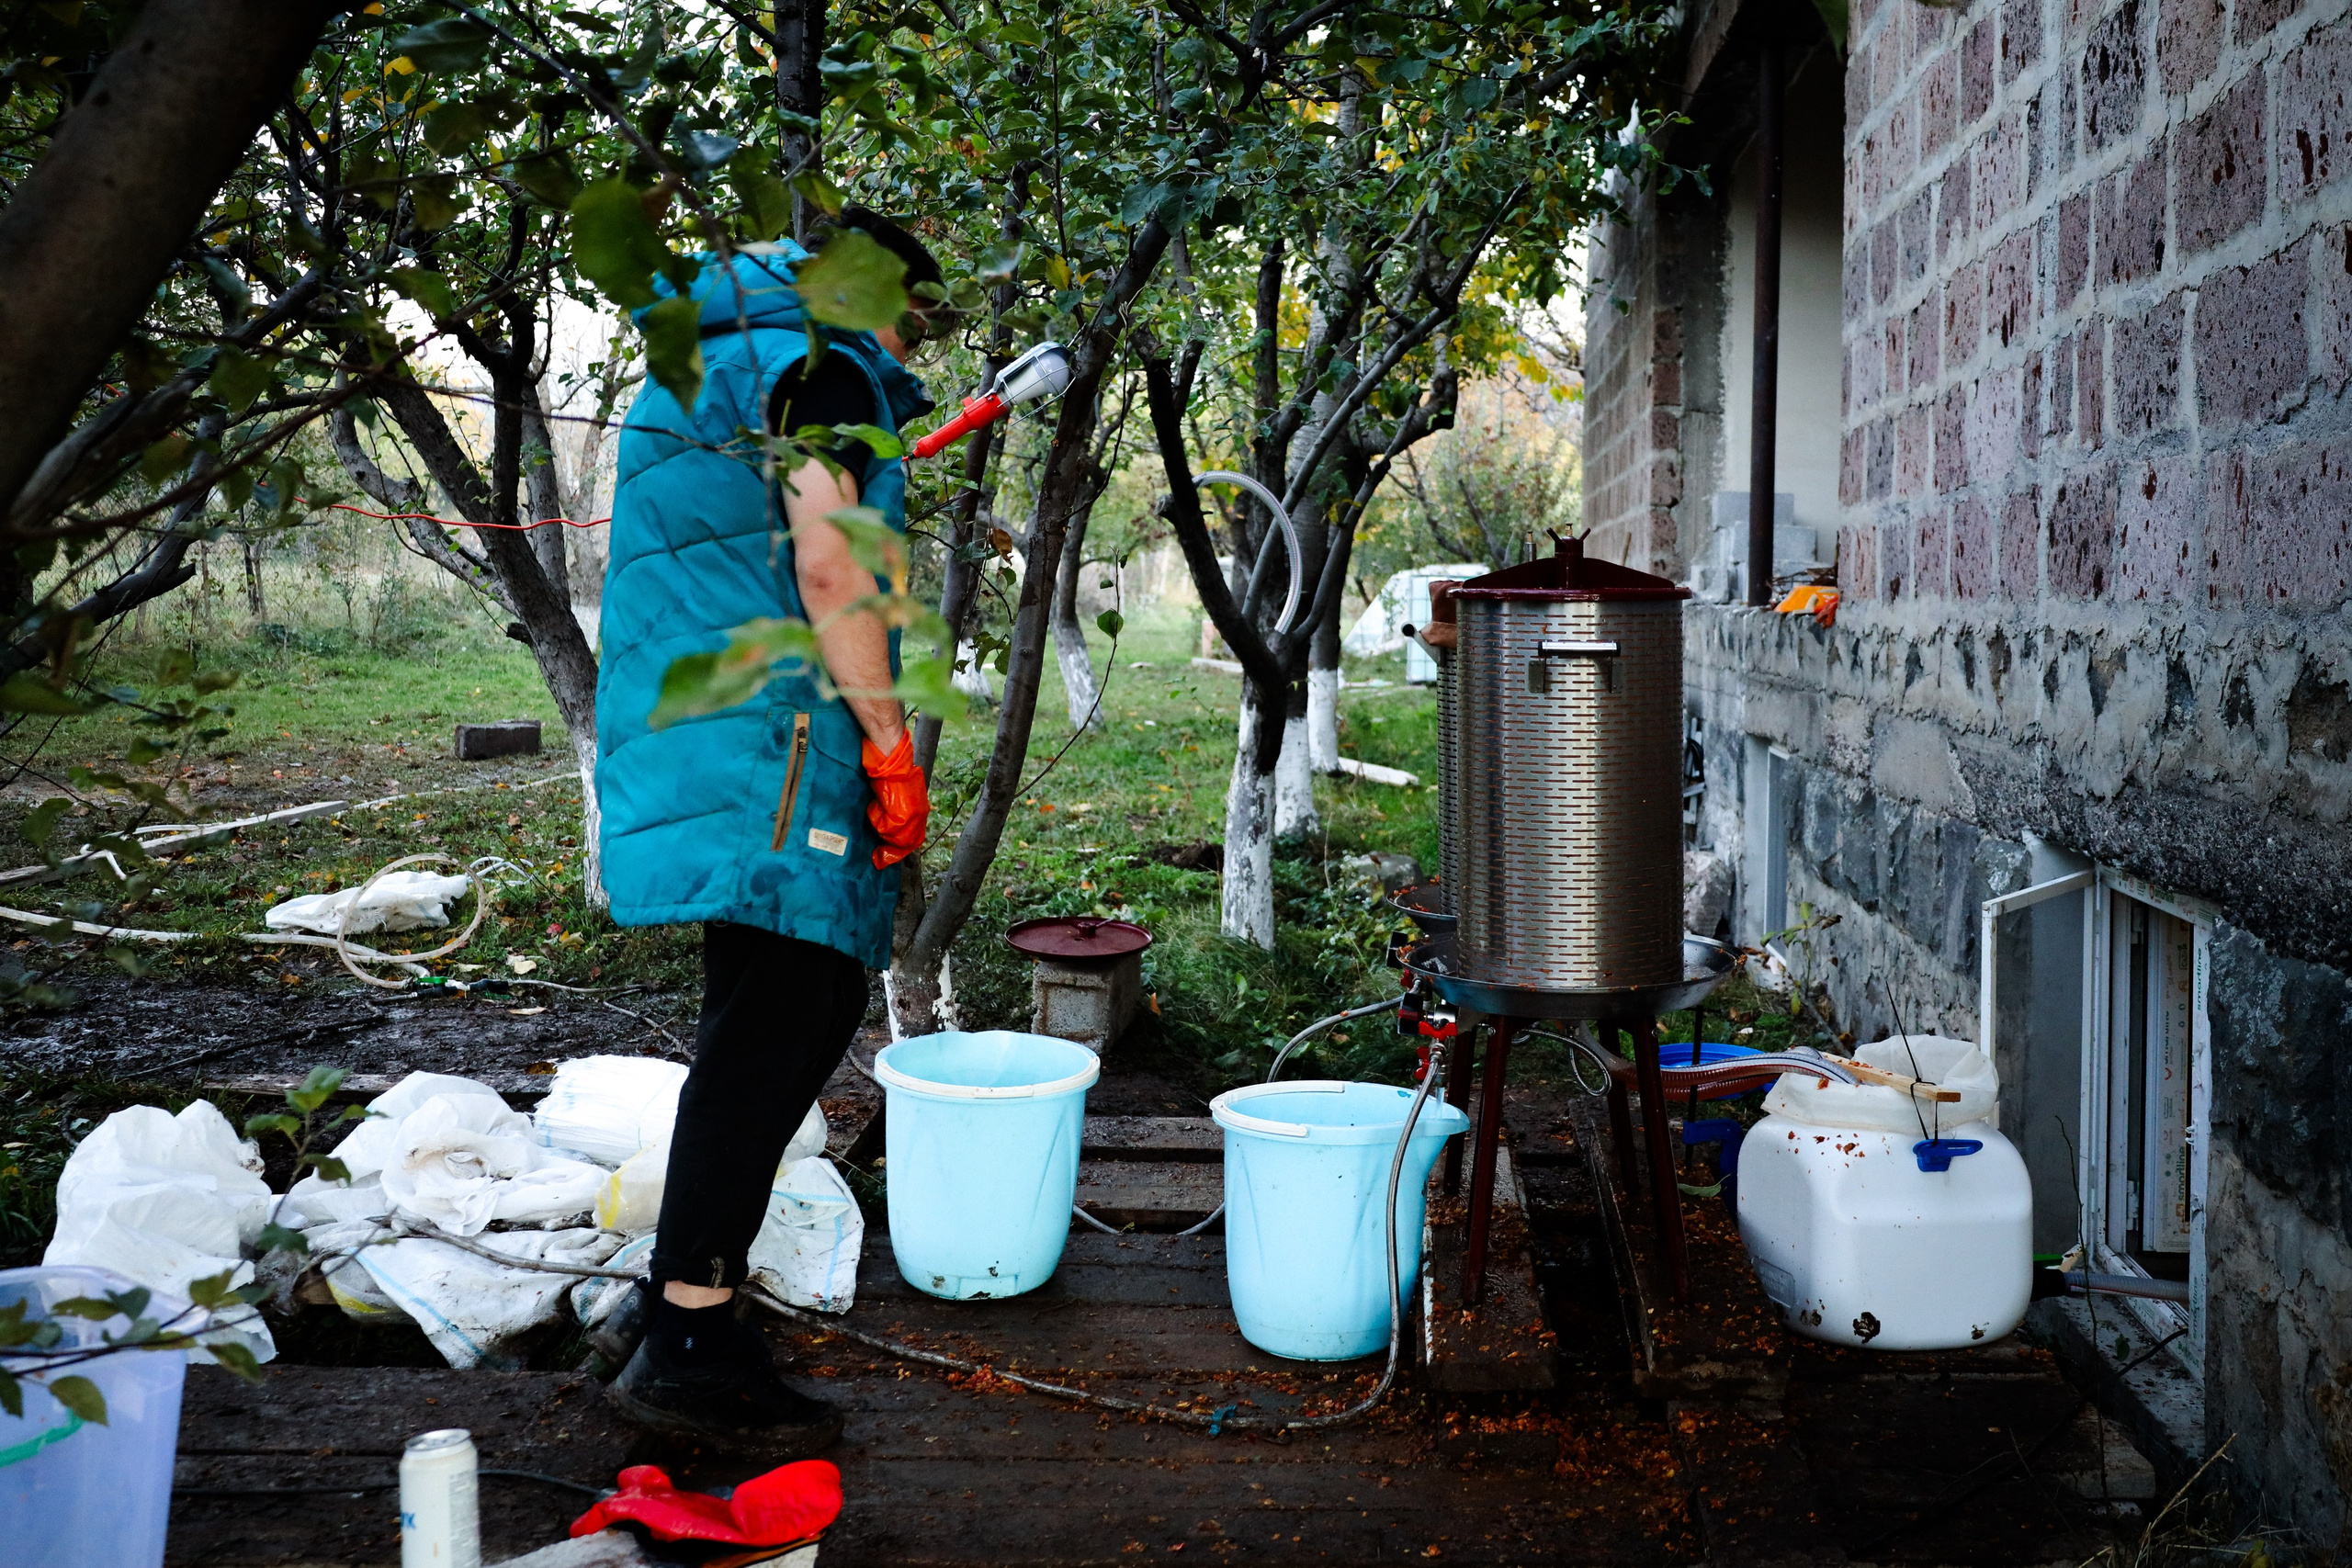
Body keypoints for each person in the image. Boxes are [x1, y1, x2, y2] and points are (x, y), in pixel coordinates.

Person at [591, 209, 949, 1451]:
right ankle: (690, 1337)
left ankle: (676, 1306)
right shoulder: (816, 363)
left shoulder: (710, 358)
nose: (914, 338)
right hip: (774, 742)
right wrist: (892, 744)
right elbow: (828, 568)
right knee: (794, 1008)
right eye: (914, 310)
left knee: (756, 1010)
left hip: (709, 729)